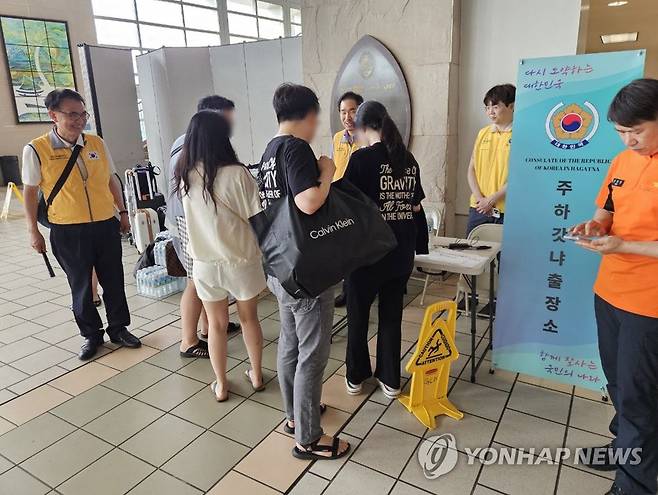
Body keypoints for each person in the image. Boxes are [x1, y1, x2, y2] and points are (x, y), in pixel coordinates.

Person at [571, 78, 658, 495]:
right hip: (609, 290)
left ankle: (635, 485)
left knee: (640, 395)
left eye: (636, 131)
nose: (628, 140)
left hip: (650, 303)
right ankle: (622, 446)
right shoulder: (622, 161)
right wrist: (595, 226)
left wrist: (624, 244)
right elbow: (607, 209)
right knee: (618, 383)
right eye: (621, 132)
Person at [257, 83, 350, 461]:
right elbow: (309, 202)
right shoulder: (296, 149)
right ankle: (309, 439)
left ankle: (295, 417)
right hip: (306, 270)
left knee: (290, 344)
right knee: (312, 353)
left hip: (278, 265)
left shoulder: (269, 150)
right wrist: (326, 171)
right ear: (309, 115)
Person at [22, 89, 141, 360]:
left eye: (82, 114)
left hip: (104, 224)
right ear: (53, 115)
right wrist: (33, 231)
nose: (79, 120)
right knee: (81, 285)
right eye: (71, 114)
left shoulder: (96, 143)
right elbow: (29, 193)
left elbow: (111, 179)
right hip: (67, 229)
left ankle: (119, 328)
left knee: (114, 280)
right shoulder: (37, 149)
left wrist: (122, 212)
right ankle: (91, 335)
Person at [176, 110, 266, 402]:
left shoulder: (184, 176)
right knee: (249, 319)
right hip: (241, 260)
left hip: (205, 264)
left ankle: (221, 384)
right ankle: (255, 375)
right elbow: (258, 217)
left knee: (216, 325)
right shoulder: (238, 173)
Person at [343, 101, 424, 400]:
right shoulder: (409, 159)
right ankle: (390, 379)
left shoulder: (361, 160)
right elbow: (416, 204)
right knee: (391, 316)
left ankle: (356, 376)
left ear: (364, 128)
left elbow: (346, 208)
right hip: (401, 251)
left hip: (366, 255)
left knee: (359, 315)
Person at [166, 95, 241, 359]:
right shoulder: (188, 147)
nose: (230, 125)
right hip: (188, 223)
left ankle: (209, 328)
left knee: (202, 280)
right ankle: (188, 341)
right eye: (226, 119)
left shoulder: (191, 141)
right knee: (195, 281)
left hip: (191, 221)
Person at [466, 83, 515, 235]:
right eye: (487, 108)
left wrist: (491, 200)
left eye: (495, 107)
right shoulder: (483, 133)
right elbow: (471, 169)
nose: (490, 112)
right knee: (472, 254)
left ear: (511, 106)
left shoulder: (521, 135)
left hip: (506, 211)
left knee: (504, 257)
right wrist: (480, 199)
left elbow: (520, 176)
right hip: (479, 208)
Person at [331, 91, 364, 308]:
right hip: (339, 202)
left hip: (360, 204)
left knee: (360, 250)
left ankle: (360, 290)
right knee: (343, 251)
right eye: (343, 112)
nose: (347, 117)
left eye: (352, 111)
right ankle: (346, 290)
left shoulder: (368, 138)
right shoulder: (337, 138)